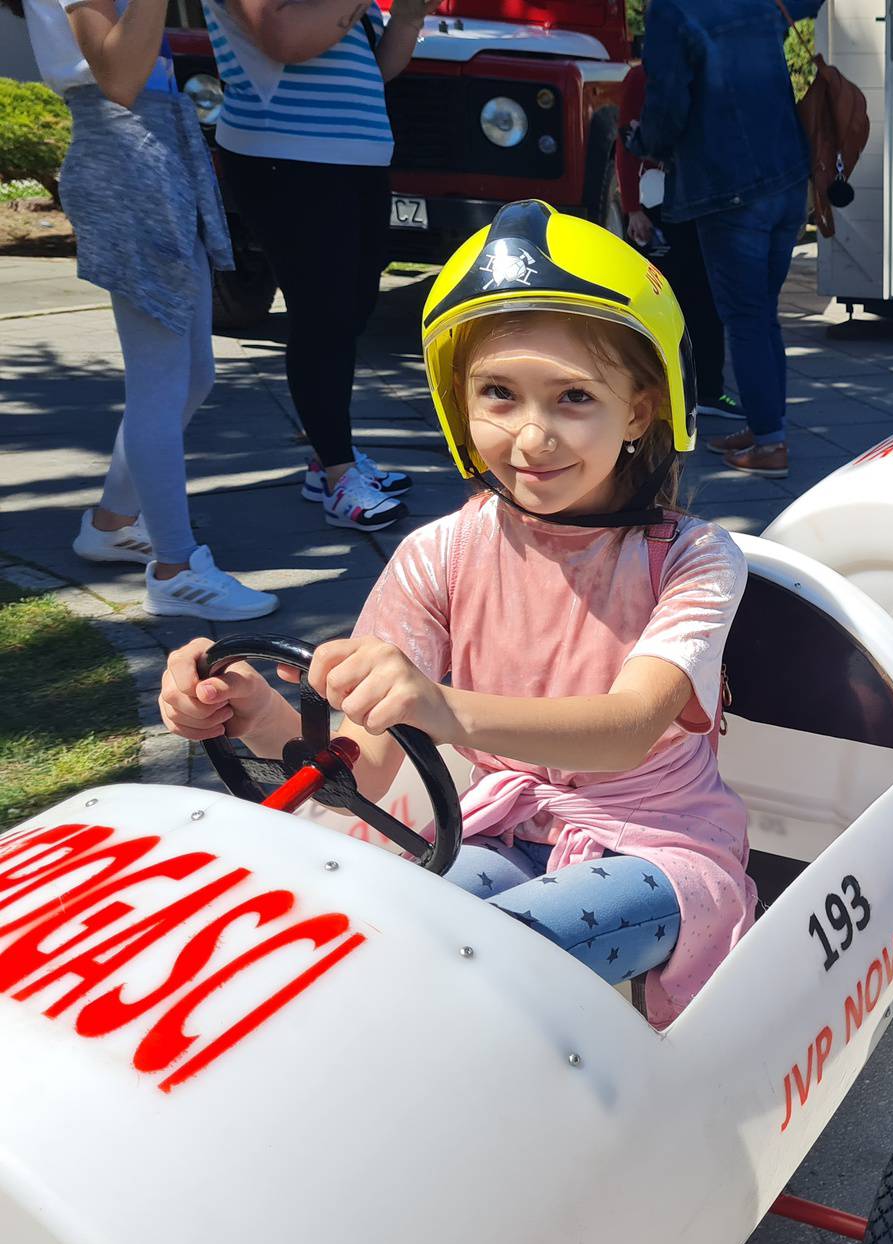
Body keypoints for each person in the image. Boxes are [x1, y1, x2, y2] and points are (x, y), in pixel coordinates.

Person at [157, 202, 756, 1027]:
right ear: (458, 401)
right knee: (371, 945)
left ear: (642, 410)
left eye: (574, 396)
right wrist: (257, 713)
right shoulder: (441, 552)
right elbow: (362, 761)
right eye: (500, 394)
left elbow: (627, 728)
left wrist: (441, 707)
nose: (532, 435)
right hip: (493, 828)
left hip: (659, 845)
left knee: (486, 968)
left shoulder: (695, 558)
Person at [15, 0, 275, 619]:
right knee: (160, 384)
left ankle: (109, 524)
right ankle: (176, 569)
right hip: (125, 152)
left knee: (189, 377)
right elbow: (120, 76)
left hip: (145, 145)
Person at [203, 0, 430, 531]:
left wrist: (410, 16)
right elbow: (285, 38)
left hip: (354, 155)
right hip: (286, 153)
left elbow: (376, 67)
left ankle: (329, 457)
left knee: (350, 311)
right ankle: (336, 474)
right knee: (322, 316)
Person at [638, 0, 824, 480]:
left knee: (745, 318)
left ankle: (770, 444)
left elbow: (667, 102)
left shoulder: (672, 11)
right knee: (763, 314)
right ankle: (768, 426)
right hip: (788, 180)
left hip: (729, 186)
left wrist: (645, 142)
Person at [616, 63, 743, 427]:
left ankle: (706, 390)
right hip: (656, 205)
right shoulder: (642, 77)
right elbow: (625, 144)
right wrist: (632, 209)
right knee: (659, 302)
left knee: (706, 302)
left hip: (701, 206)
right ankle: (651, 390)